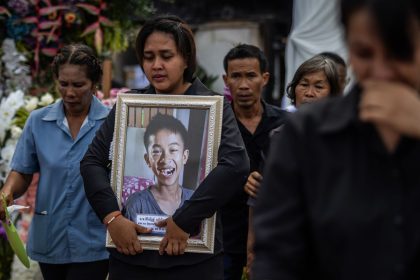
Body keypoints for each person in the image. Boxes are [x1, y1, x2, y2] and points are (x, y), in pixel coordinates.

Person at [252, 0, 420, 279]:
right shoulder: (305, 135)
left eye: (400, 53)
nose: (382, 72)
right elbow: (277, 255)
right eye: (364, 53)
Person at [80, 14, 249, 280]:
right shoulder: (129, 106)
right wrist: (112, 217)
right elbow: (92, 162)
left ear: (186, 59)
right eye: (148, 57)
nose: (156, 65)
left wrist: (184, 221)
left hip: (194, 262)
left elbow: (236, 164)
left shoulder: (214, 107)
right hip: (132, 259)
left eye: (166, 56)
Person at [0, 44, 110, 280]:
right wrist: (6, 192)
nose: (69, 92)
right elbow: (22, 170)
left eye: (78, 85)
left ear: (94, 84)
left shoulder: (110, 123)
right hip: (51, 236)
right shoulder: (38, 121)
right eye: (63, 84)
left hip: (95, 239)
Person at [221, 43, 288, 279]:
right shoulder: (216, 125)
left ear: (265, 78)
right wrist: (239, 181)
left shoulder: (285, 124)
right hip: (224, 237)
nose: (244, 85)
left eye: (251, 76)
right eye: (236, 77)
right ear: (226, 80)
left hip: (276, 236)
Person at [124, 113, 193, 221]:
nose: (165, 159)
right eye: (156, 151)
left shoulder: (194, 200)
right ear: (148, 160)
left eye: (173, 150)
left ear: (184, 156)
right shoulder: (136, 204)